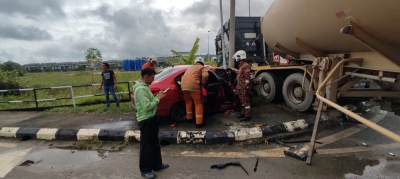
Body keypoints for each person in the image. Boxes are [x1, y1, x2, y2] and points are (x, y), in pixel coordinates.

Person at [133, 68, 169, 179]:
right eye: (152, 77)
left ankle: (156, 165)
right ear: (146, 76)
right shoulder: (140, 89)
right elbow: (147, 106)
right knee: (146, 146)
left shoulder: (145, 87)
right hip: (146, 119)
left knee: (154, 143)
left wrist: (157, 96)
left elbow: (149, 101)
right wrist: (158, 98)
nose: (153, 80)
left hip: (152, 118)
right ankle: (145, 170)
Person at [181, 57, 209, 128]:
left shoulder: (190, 68)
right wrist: (203, 84)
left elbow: (182, 77)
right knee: (198, 104)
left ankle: (189, 118)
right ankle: (199, 123)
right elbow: (205, 75)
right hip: (194, 87)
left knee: (188, 102)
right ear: (202, 62)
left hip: (184, 87)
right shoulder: (202, 68)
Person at [231, 50, 252, 121]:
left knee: (245, 102)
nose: (236, 61)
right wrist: (234, 70)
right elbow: (240, 74)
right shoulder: (241, 66)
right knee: (242, 102)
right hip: (240, 87)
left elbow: (247, 78)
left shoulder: (245, 66)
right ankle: (243, 114)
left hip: (243, 87)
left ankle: (247, 116)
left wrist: (246, 87)